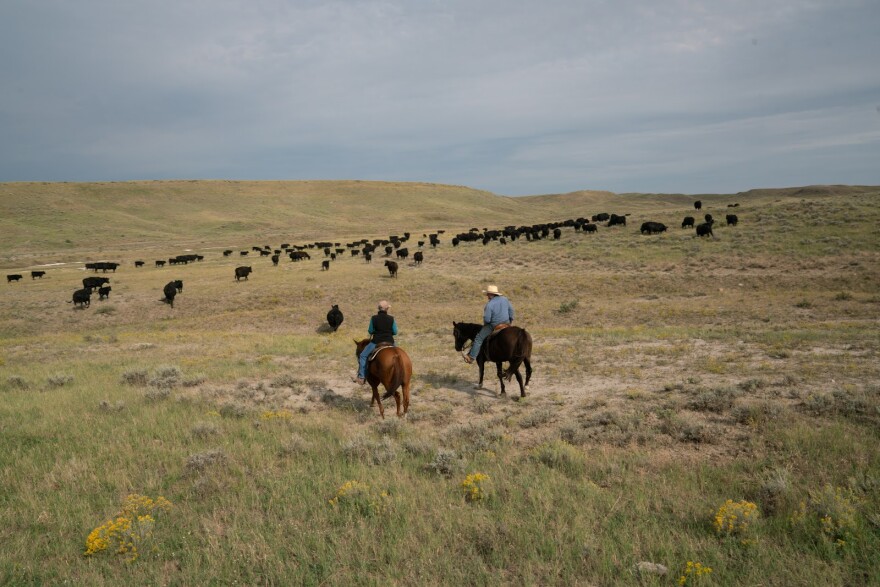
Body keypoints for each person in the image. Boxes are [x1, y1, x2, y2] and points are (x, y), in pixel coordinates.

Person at [464, 285, 514, 364]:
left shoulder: (489, 304)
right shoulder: (505, 299)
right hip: (507, 323)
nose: (487, 296)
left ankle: (471, 357)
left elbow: (487, 319)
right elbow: (511, 311)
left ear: (491, 294)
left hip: (494, 325)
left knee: (478, 338)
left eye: (488, 294)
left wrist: (486, 325)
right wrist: (510, 321)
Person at [354, 300, 398, 384]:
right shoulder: (391, 318)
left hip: (376, 342)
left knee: (363, 355)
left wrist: (375, 331)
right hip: (390, 341)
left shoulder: (374, 318)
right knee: (398, 354)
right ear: (386, 309)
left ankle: (361, 377)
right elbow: (395, 332)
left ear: (379, 309)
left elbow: (370, 331)